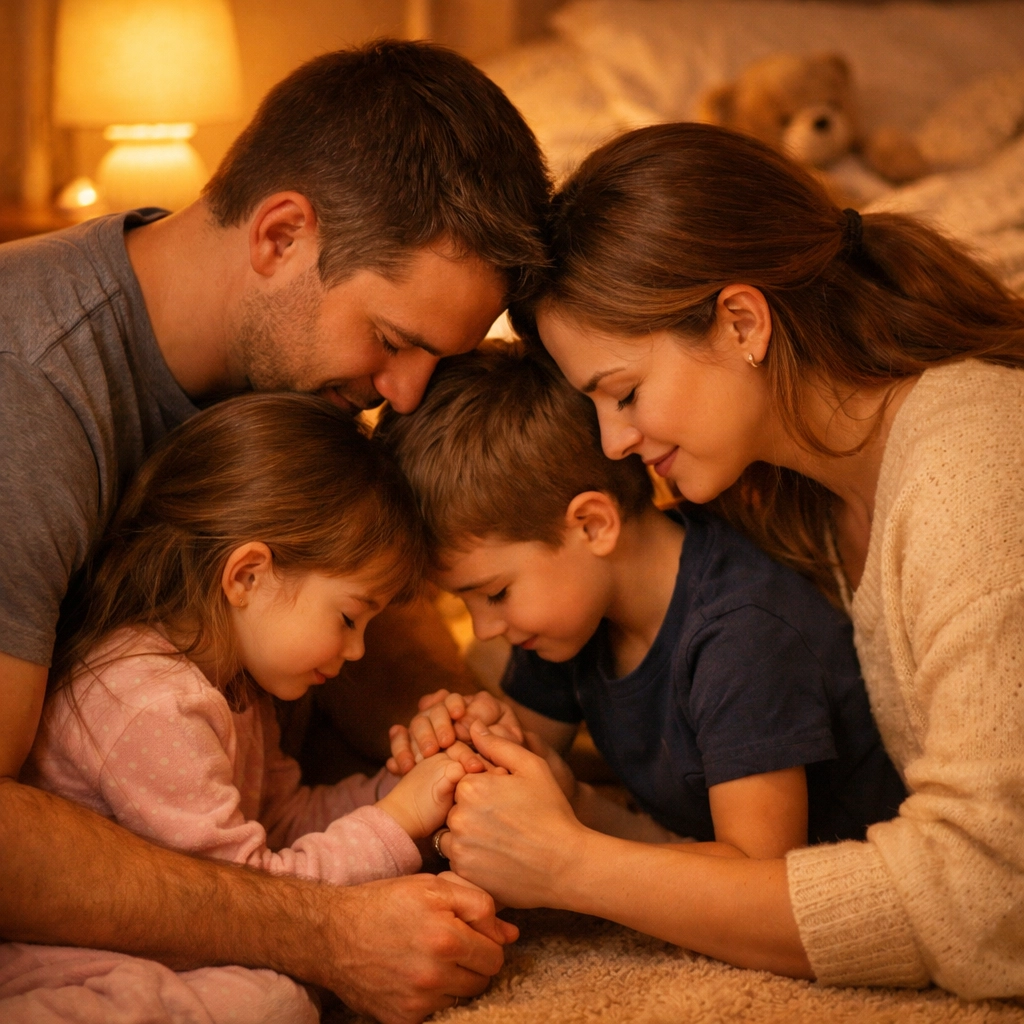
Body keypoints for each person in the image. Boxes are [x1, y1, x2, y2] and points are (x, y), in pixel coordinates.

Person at [0, 39, 549, 1023]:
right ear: (280, 235)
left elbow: (369, 622)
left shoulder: (308, 392)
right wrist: (327, 933)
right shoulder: (28, 389)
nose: (404, 394)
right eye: (392, 339)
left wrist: (456, 733)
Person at [423, 122, 1024, 1000]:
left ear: (742, 321)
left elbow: (985, 900)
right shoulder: (790, 499)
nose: (614, 443)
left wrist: (572, 868)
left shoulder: (971, 477)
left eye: (624, 393)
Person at [2, 393, 505, 1020]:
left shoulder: (234, 689)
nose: (355, 651)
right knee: (273, 1000)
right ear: (246, 576)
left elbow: (285, 819)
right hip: (64, 956)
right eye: (349, 617)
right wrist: (397, 822)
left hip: (170, 945)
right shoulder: (151, 702)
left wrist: (403, 789)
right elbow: (257, 891)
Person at [378, 345, 904, 925]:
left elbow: (763, 876)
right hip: (694, 848)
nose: (485, 628)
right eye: (465, 602)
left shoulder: (742, 635)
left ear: (593, 524)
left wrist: (569, 834)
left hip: (842, 888)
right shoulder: (567, 621)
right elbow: (528, 762)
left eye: (495, 593)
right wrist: (466, 749)